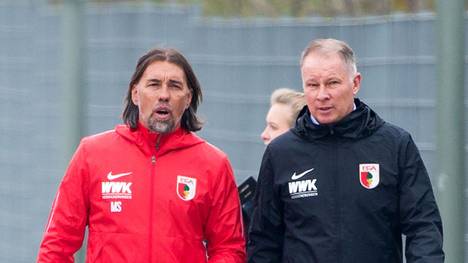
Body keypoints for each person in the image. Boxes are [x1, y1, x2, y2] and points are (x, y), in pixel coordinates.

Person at [37, 48, 246, 263]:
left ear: (187, 98)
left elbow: (229, 249)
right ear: (135, 94)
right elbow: (57, 245)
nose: (164, 95)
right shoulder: (92, 154)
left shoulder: (214, 164)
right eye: (154, 84)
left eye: (174, 86)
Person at [248, 38, 444, 263]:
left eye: (332, 83)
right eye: (312, 85)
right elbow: (263, 241)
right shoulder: (281, 153)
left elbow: (423, 227)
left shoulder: (394, 145)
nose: (322, 95)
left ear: (356, 83)